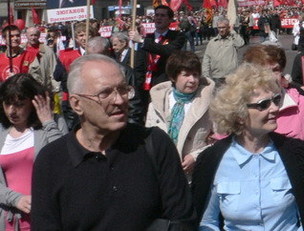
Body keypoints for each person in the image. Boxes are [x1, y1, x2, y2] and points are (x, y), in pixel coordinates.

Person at [32, 54, 194, 230]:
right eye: (105, 93)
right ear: (77, 104)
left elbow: (182, 220)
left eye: (123, 89)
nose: (120, 100)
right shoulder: (51, 160)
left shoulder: (153, 143)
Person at [192, 63, 304, 230]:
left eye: (275, 100)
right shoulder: (212, 160)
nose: (275, 108)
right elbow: (206, 222)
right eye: (263, 104)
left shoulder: (299, 154)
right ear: (239, 114)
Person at [0, 74, 67, 230]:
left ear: (34, 103)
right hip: (9, 221)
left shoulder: (54, 124)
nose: (12, 111)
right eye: (7, 104)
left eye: (19, 104)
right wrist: (16, 199)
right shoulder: (2, 133)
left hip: (46, 218)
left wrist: (48, 123)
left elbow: (65, 161)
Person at [243, 45, 304, 166]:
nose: (270, 77)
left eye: (275, 70)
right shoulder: (239, 106)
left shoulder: (301, 105)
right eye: (264, 71)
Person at [145, 51, 215, 178]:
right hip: (164, 173)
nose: (192, 80)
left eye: (195, 75)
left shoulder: (210, 104)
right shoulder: (156, 104)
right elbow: (148, 140)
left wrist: (195, 157)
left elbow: (220, 140)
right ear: (173, 77)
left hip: (196, 173)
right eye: (186, 75)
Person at [130, 5, 187, 90]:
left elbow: (168, 50)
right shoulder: (148, 38)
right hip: (146, 83)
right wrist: (137, 83)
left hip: (167, 82)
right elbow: (140, 64)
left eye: (163, 15)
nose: (159, 18)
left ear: (170, 20)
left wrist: (142, 41)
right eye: (157, 15)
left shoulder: (177, 36)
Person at [201, 16, 244, 87]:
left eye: (223, 27)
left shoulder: (232, 40)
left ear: (228, 27)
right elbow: (206, 58)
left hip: (231, 76)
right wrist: (206, 75)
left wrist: (232, 31)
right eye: (219, 27)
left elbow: (241, 43)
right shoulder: (212, 42)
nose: (221, 30)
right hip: (217, 76)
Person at [23, 26, 59, 95]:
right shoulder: (21, 50)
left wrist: (56, 89)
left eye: (35, 35)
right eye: (31, 35)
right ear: (26, 36)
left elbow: (53, 70)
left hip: (43, 90)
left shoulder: (47, 51)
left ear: (39, 36)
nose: (33, 38)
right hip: (25, 91)